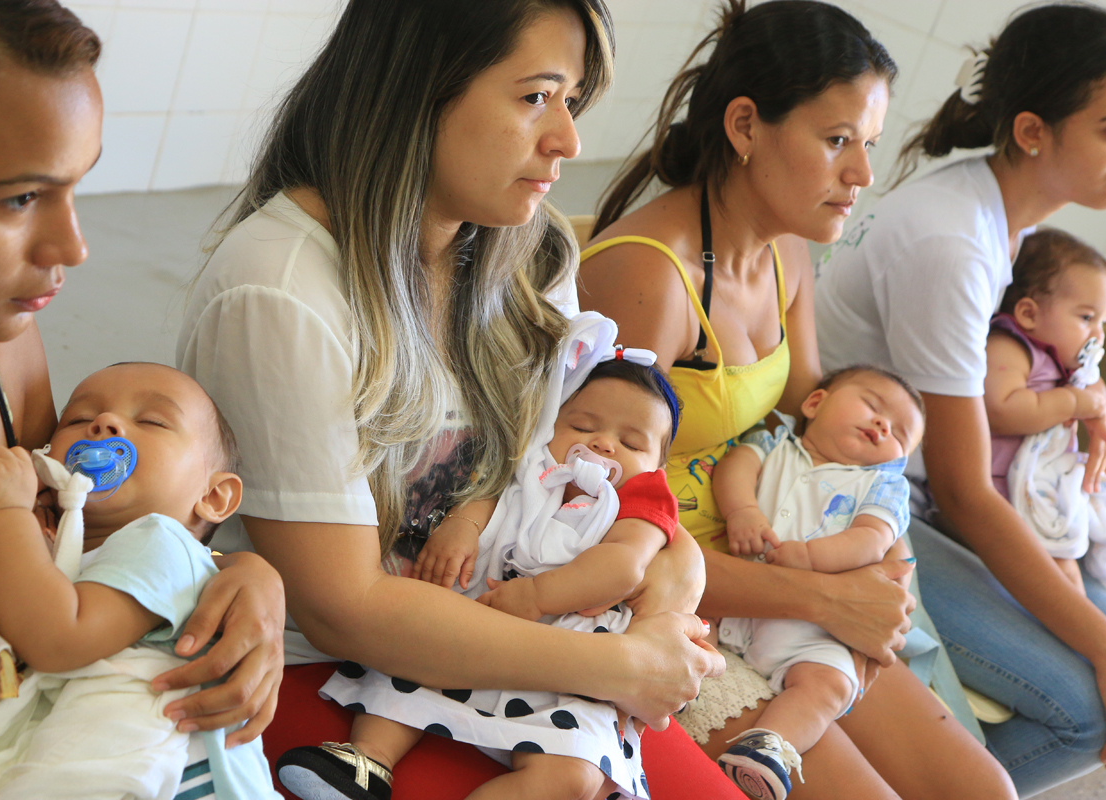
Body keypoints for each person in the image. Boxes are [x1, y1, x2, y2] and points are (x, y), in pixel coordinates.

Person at [177, 1, 727, 795]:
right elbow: (344, 608)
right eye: (535, 96)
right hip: (333, 672)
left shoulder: (532, 255)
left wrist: (672, 591)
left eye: (572, 100)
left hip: (523, 638)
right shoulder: (282, 288)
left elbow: (596, 467)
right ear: (417, 87)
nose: (567, 140)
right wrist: (618, 663)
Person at [580, 2, 1016, 798]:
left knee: (983, 790)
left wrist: (885, 556)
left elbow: (809, 416)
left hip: (775, 557)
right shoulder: (650, 275)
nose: (862, 174)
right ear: (746, 126)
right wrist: (824, 595)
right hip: (656, 593)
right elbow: (593, 526)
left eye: (870, 145)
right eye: (837, 140)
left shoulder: (786, 246)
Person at [814, 3, 1106, 794]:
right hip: (858, 500)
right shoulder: (955, 242)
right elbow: (963, 490)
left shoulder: (996, 217)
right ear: (1034, 130)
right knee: (1091, 702)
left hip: (922, 491)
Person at [0, 5, 286, 798]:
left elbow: (84, 519)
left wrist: (244, 574)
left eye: (78, 186)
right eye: (17, 199)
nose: (73, 248)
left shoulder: (3, 331)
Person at [281, 321, 682, 800]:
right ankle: (367, 761)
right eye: (583, 425)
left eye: (631, 443)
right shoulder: (533, 464)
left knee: (573, 774)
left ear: (658, 465)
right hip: (479, 609)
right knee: (415, 665)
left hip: (574, 656)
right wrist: (463, 528)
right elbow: (491, 491)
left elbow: (624, 566)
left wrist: (537, 596)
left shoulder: (640, 499)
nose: (602, 444)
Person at [0, 363, 280, 798]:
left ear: (214, 497)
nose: (105, 423)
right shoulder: (64, 553)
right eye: (78, 420)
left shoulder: (160, 540)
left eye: (153, 421)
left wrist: (3, 512)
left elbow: (57, 638)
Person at [710, 366, 924, 799]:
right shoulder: (774, 445)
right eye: (872, 405)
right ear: (814, 403)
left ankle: (768, 747)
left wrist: (811, 557)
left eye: (900, 433)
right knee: (692, 629)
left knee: (829, 685)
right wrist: (743, 512)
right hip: (736, 594)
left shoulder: (881, 487)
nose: (884, 425)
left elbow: (871, 539)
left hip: (813, 632)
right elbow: (735, 468)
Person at [985, 230, 1106, 671]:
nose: (1098, 333)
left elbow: (1095, 387)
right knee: (1063, 565)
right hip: (1004, 490)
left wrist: (1096, 413)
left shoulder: (1067, 357)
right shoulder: (1011, 347)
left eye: (1102, 321)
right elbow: (1001, 407)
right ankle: (1099, 646)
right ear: (1029, 313)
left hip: (1048, 480)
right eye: (1087, 317)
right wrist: (1072, 402)